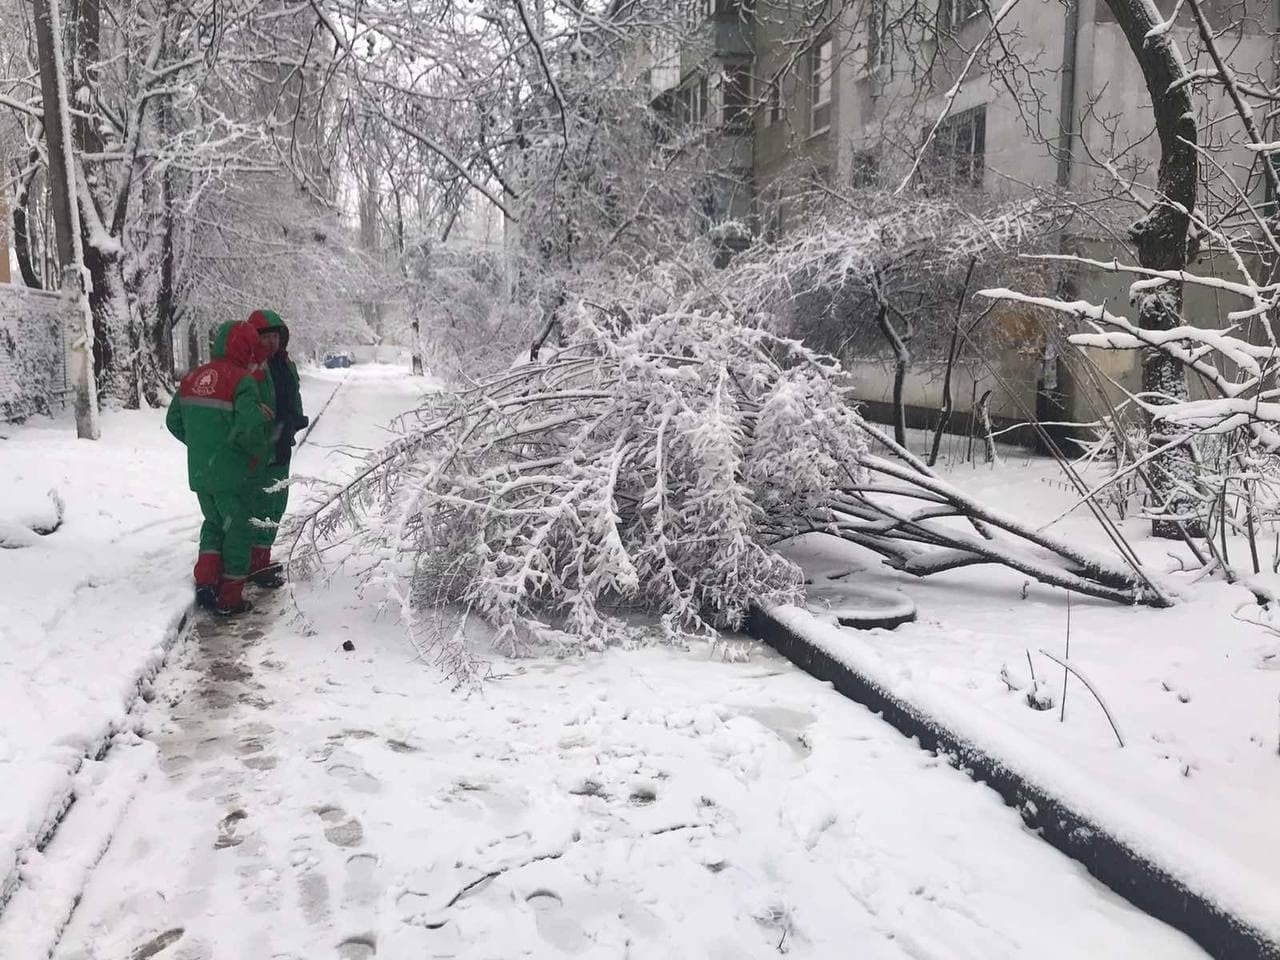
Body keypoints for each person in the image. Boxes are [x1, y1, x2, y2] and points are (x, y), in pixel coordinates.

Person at [166, 320, 274, 615]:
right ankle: (229, 598)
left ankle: (205, 583)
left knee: (214, 524)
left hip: (202, 473)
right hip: (232, 474)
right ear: (246, 348)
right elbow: (248, 428)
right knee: (237, 530)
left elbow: (173, 420)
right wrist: (259, 452)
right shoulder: (242, 381)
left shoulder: (193, 377)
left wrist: (202, 444)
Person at [245, 309, 307, 587]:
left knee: (276, 504)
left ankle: (259, 560)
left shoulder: (285, 364)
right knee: (258, 505)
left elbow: (292, 395)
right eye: (265, 337)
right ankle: (253, 566)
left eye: (274, 336)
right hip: (258, 447)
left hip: (281, 443)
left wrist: (295, 419)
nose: (271, 342)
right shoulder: (250, 368)